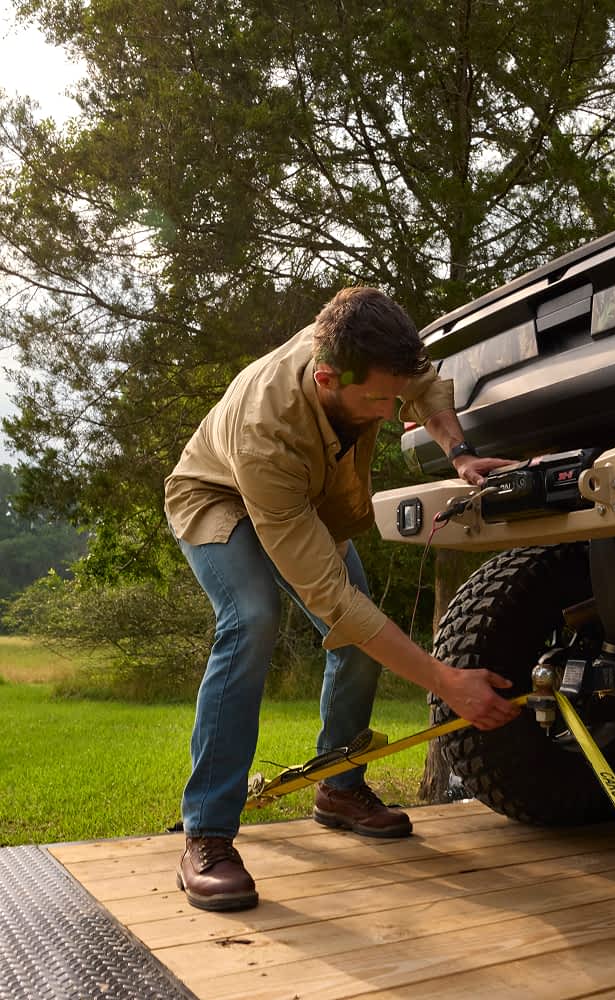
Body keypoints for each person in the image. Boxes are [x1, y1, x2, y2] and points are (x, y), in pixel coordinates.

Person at [164, 286, 519, 912]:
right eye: (377, 401)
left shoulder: (366, 352)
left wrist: (459, 454)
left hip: (308, 502)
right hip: (218, 496)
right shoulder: (265, 430)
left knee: (360, 645)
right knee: (251, 620)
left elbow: (423, 385)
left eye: (393, 396)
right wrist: (445, 681)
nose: (389, 415)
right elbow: (330, 598)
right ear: (326, 378)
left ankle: (339, 787)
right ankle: (208, 835)